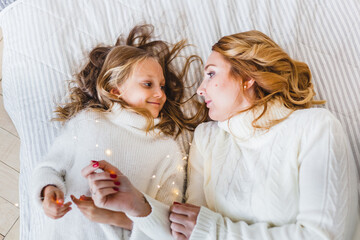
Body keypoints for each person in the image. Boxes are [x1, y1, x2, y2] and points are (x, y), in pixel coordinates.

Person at [84, 30, 359, 240]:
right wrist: (138, 204)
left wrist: (217, 231)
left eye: (211, 74)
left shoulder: (315, 127)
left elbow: (324, 236)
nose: (200, 90)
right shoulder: (207, 139)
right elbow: (187, 230)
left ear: (247, 77)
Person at [31, 24, 206, 240]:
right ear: (115, 90)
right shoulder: (88, 122)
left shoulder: (166, 149)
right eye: (148, 84)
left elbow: (166, 226)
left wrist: (109, 216)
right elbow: (49, 167)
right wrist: (48, 193)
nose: (160, 94)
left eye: (162, 87)